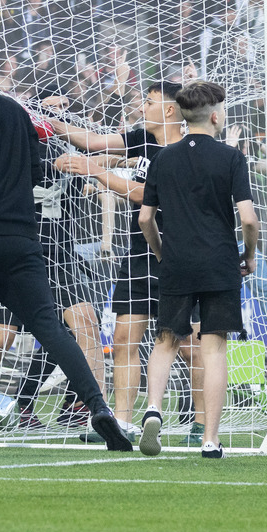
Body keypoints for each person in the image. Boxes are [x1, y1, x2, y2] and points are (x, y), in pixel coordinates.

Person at [0, 43, 131, 452]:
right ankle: (98, 408)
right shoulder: (13, 112)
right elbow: (35, 170)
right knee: (51, 326)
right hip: (22, 241)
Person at [48, 81, 184, 426]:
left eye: (149, 102)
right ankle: (122, 421)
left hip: (182, 254)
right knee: (124, 338)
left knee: (190, 344)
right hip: (140, 252)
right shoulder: (143, 138)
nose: (142, 107)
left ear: (169, 110)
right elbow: (91, 141)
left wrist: (97, 171)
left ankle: (198, 423)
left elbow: (147, 194)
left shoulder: (186, 149)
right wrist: (45, 121)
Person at [136, 81, 259, 459]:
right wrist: (249, 255)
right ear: (217, 116)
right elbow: (249, 219)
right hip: (219, 261)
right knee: (214, 350)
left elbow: (145, 218)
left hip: (176, 261)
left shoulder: (163, 158)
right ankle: (210, 438)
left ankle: (154, 406)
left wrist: (160, 252)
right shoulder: (231, 157)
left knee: (166, 340)